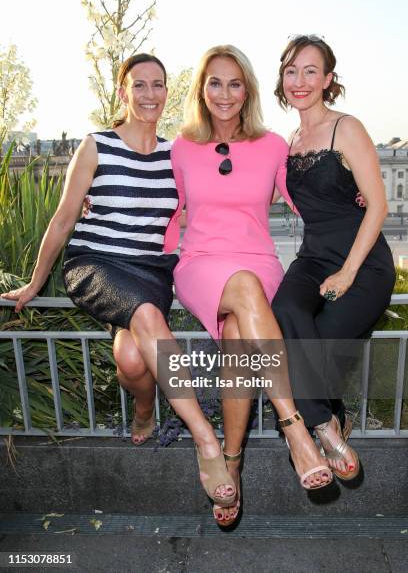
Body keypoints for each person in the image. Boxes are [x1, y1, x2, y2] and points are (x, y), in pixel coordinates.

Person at [1, 53, 237, 513]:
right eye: (140, 85)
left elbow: (216, 201)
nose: (150, 94)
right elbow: (64, 217)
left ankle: (145, 409)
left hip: (150, 270)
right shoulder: (97, 146)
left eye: (159, 85)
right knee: (149, 318)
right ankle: (206, 441)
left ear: (168, 92)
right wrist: (34, 283)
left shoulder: (177, 154)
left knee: (132, 358)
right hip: (96, 263)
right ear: (122, 91)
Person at [165, 45, 334, 527]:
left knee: (241, 334)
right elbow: (166, 207)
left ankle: (231, 463)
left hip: (260, 262)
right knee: (241, 289)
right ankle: (295, 429)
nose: (224, 93)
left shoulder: (273, 145)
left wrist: (352, 197)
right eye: (214, 82)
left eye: (234, 83)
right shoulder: (181, 146)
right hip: (201, 264)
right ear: (201, 89)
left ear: (248, 90)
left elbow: (305, 202)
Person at [271, 34, 395, 481]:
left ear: (327, 80)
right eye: (291, 71)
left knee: (315, 342)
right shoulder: (288, 140)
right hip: (313, 255)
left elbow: (377, 206)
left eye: (310, 71)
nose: (300, 81)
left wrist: (347, 272)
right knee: (283, 309)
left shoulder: (348, 128)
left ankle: (307, 430)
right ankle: (324, 422)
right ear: (282, 79)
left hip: (363, 262)